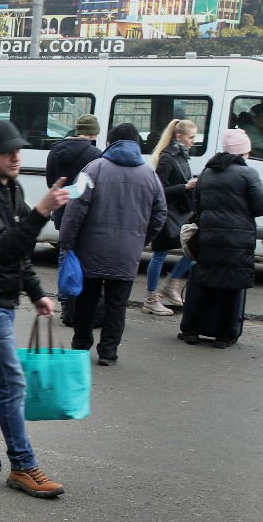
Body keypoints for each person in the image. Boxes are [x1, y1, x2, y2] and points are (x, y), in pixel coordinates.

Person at [0, 120, 70, 498]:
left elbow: (19, 250)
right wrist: (41, 211)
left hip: (3, 302)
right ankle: (22, 465)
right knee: (10, 384)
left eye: (18, 150)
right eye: (6, 152)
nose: (15, 157)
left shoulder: (11, 187)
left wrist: (36, 292)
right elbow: (3, 247)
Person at [58, 122, 167, 366]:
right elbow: (160, 214)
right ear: (136, 144)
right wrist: (141, 239)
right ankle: (108, 352)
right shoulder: (150, 175)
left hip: (91, 249)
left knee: (86, 301)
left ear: (109, 143)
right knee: (117, 305)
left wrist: (67, 241)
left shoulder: (93, 169)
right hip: (127, 251)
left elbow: (75, 208)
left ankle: (81, 345)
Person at [180, 128, 263, 347]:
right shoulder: (248, 174)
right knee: (231, 288)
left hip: (209, 236)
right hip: (238, 240)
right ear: (243, 152)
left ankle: (191, 331)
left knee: (205, 284)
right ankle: (224, 336)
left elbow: (197, 205)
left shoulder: (207, 173)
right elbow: (259, 207)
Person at [143, 118, 198, 315]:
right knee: (159, 256)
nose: (194, 141)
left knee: (192, 249)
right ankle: (150, 298)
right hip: (166, 215)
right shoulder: (168, 157)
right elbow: (157, 190)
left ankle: (170, 285)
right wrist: (185, 186)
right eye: (191, 138)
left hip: (180, 213)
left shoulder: (181, 154)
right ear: (179, 137)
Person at [45, 113, 101, 230]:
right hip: (84, 215)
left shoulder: (55, 150)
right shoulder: (96, 154)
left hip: (60, 212)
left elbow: (51, 182)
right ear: (94, 134)